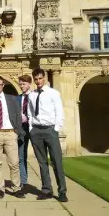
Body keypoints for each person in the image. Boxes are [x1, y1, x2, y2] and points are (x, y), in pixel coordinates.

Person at [28, 68, 68, 202]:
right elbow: (30, 113)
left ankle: (62, 191)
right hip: (36, 131)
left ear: (44, 78)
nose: (38, 81)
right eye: (36, 79)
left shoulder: (53, 93)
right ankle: (47, 190)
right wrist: (31, 128)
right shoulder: (32, 95)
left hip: (50, 130)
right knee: (42, 162)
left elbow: (59, 112)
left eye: (40, 78)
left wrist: (56, 129)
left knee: (57, 162)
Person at [0, 75, 25, 199]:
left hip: (10, 133)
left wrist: (16, 132)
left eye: (0, 84)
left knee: (14, 163)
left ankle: (16, 188)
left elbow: (18, 116)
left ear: (3, 85)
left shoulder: (13, 99)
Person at [17, 75, 33, 188]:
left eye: (24, 84)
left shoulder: (35, 96)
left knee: (40, 156)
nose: (22, 86)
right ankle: (24, 181)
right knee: (21, 156)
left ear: (29, 84)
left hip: (34, 128)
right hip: (22, 129)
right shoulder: (18, 98)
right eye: (20, 84)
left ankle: (46, 184)